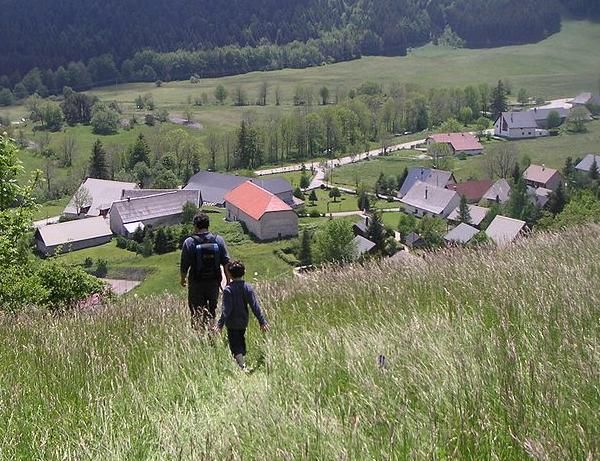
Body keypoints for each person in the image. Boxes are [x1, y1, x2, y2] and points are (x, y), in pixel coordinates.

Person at [215, 260, 268, 371]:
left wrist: (220, 325)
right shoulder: (248, 287)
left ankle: (241, 365)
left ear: (229, 274)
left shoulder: (228, 290)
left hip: (232, 322)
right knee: (241, 339)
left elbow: (226, 310)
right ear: (243, 272)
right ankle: (241, 360)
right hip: (244, 320)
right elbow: (255, 306)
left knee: (235, 343)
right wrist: (262, 321)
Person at [180, 211, 230, 329]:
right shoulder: (218, 240)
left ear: (195, 226)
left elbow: (184, 265)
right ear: (208, 225)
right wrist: (228, 281)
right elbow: (226, 262)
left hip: (196, 283)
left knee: (196, 311)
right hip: (213, 282)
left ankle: (198, 336)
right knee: (212, 310)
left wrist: (183, 279)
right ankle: (211, 335)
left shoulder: (189, 242)